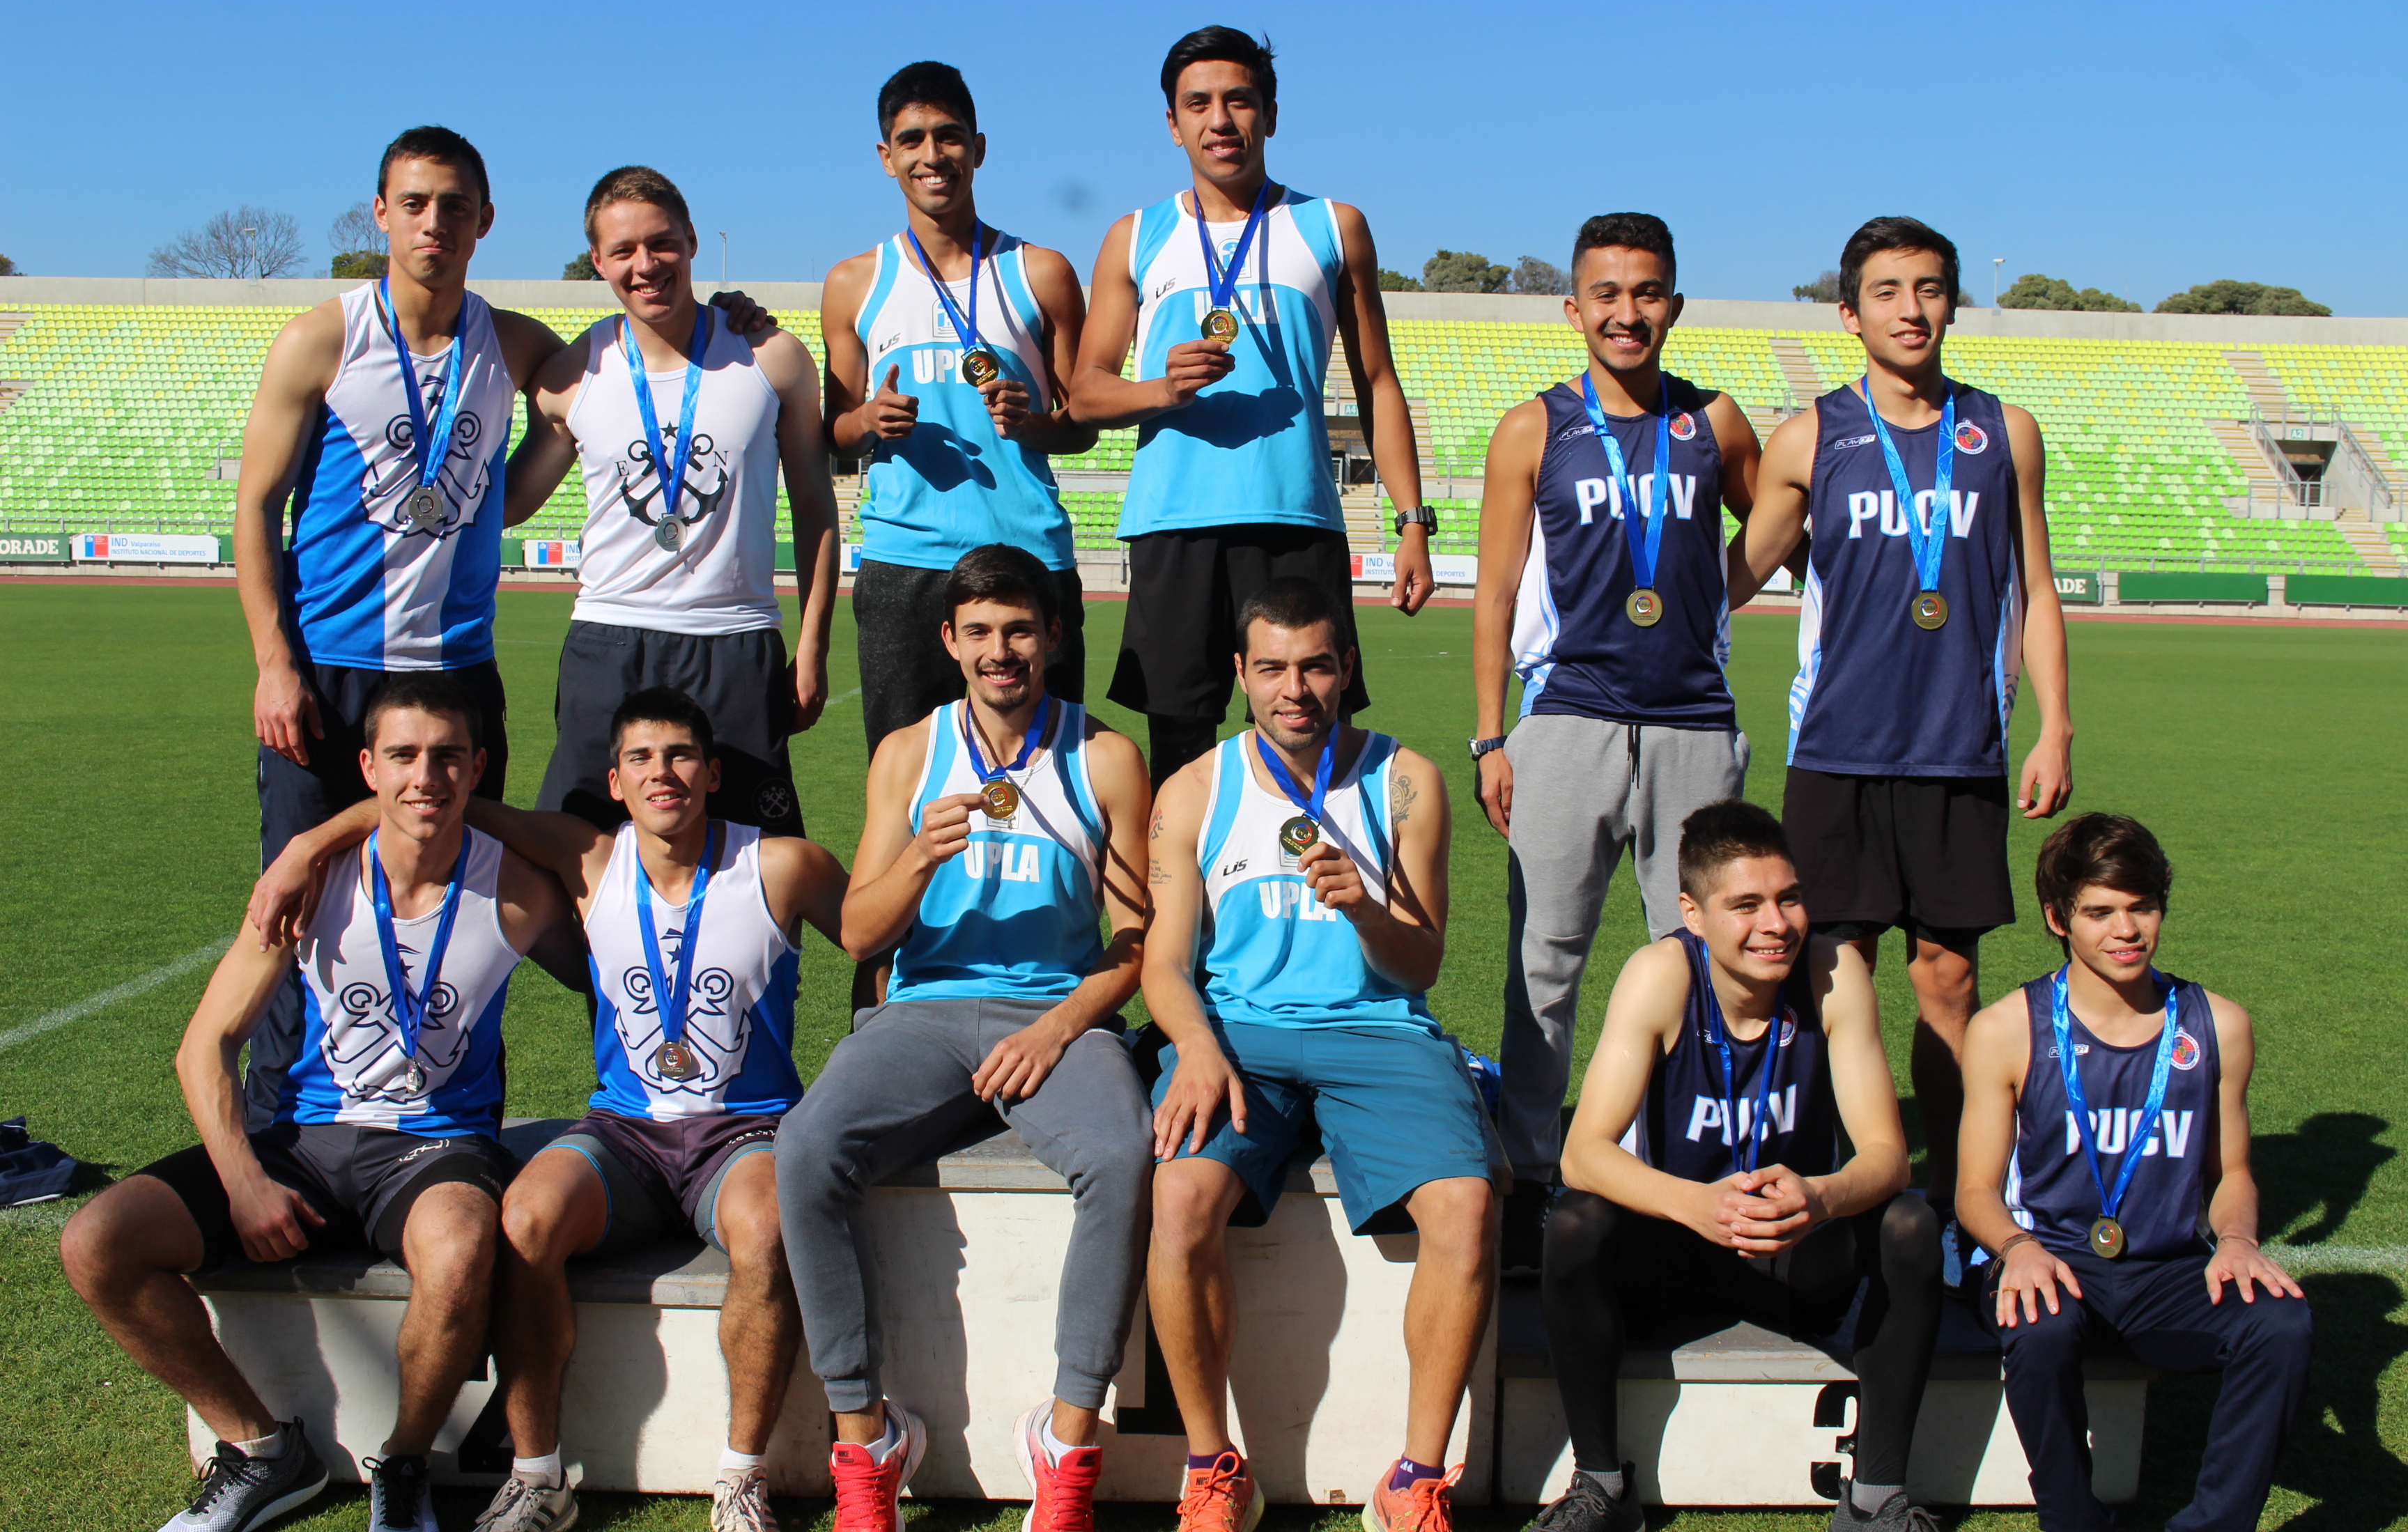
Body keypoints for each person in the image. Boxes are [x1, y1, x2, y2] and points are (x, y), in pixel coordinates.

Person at [233, 127, 771, 1130]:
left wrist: (732, 317)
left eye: (454, 206)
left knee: (472, 900)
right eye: (414, 203)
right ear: (382, 214)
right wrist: (274, 663)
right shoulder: (321, 339)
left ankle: (462, 1125)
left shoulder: (517, 345)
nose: (433, 223)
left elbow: (619, 384)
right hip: (331, 667)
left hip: (457, 674)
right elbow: (256, 508)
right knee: (304, 898)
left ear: (485, 220)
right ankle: (275, 1130)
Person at [250, 687, 849, 1532]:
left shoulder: (782, 863)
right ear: (614, 781)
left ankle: (741, 1475)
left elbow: (877, 937)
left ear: (713, 773)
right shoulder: (586, 856)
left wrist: (867, 1058)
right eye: (640, 758)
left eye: (681, 755)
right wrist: (308, 844)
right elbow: (437, 803)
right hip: (623, 1131)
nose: (663, 773)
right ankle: (537, 1478)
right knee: (524, 1218)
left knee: (770, 1230)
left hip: (743, 1129)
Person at [59, 675, 579, 1532]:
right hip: (304, 1139)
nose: (426, 777)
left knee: (458, 1251)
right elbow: (205, 1046)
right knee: (97, 1243)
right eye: (403, 756)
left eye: (448, 757)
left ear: (478, 766)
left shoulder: (520, 892)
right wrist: (244, 1184)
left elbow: (612, 954)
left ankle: (403, 1465)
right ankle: (261, 1450)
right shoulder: (310, 883)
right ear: (369, 768)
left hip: (438, 1146)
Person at [774, 544, 1152, 1532]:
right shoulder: (910, 752)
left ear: (1054, 636)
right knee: (805, 1149)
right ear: (948, 640)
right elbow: (862, 934)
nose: (1000, 652)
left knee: (1122, 1158)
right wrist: (918, 857)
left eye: (1019, 630)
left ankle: (1067, 1440)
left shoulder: (1105, 757)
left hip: (1059, 1017)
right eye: (979, 632)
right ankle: (866, 1438)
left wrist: (1060, 1028)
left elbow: (1134, 943)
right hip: (924, 1011)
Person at [1471, 212, 1800, 1261]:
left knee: (1706, 964)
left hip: (1695, 728)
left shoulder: (1716, 422)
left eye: (1647, 292)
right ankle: (1531, 1170)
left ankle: (1689, 1179)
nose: (1628, 313)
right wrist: (1489, 739)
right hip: (1566, 721)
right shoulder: (1533, 428)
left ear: (1674, 305)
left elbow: (1778, 528)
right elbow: (1495, 594)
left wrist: (1715, 596)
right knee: (1544, 964)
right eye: (1607, 294)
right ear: (1574, 309)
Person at [1734, 215, 2073, 1229]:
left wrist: (2055, 725)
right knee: (1831, 979)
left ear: (1952, 304)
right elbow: (1733, 576)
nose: (1910, 309)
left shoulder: (2004, 432)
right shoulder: (1811, 436)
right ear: (1850, 313)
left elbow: (2037, 589)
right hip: (1836, 751)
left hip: (1959, 749)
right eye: (1886, 291)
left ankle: (1954, 1198)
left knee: (1949, 982)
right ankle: (1835, 1185)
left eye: (1928, 288)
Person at [1144, 575, 1499, 1532]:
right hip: (1237, 1036)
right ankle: (1214, 1469)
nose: (1293, 690)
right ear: (1240, 673)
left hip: (1378, 1029)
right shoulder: (1195, 789)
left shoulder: (1406, 780)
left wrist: (1368, 910)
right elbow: (1164, 963)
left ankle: (1415, 1478)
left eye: (1314, 667)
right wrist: (1194, 1045)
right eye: (1271, 669)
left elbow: (1422, 962)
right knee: (1179, 1201)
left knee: (1466, 1208)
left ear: (1347, 667)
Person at [1531, 800, 1941, 1532]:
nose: (1776, 924)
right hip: (1676, 1247)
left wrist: (1821, 1197)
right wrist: (1695, 1205)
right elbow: (1583, 1152)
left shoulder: (1833, 971)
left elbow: (1886, 1156)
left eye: (1790, 898)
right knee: (1573, 1223)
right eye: (1746, 905)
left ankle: (1877, 1499)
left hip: (1793, 1250)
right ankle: (1600, 1486)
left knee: (1909, 1225)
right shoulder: (1662, 975)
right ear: (1692, 913)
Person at [1070, 26, 1437, 786]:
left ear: (1270, 113)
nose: (1220, 120)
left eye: (1239, 100)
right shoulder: (1135, 236)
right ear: (1173, 124)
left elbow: (1377, 381)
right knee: (1181, 755)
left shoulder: (1333, 225)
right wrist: (1162, 390)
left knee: (1314, 740)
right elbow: (1085, 391)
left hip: (1295, 520)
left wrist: (1411, 521)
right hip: (1175, 523)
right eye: (1198, 103)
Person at [1958, 814, 2310, 1532]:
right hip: (2051, 1257)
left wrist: (2237, 1239)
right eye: (2100, 912)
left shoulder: (2218, 1025)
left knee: (2281, 1324)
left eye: (2141, 906)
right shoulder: (2005, 1028)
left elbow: (2233, 1172)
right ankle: (2073, 1521)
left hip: (2166, 1270)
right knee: (2040, 1328)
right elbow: (1973, 1190)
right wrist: (2017, 1249)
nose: (2126, 930)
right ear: (2058, 918)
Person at [507, 164, 840, 838]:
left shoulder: (772, 358)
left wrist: (812, 647)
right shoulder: (572, 374)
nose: (646, 264)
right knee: (582, 847)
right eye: (624, 250)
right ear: (597, 261)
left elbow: (814, 507)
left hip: (734, 637)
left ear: (691, 241)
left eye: (661, 243)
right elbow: (508, 503)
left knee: (753, 853)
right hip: (608, 638)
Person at [821, 62, 1098, 757]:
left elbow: (1082, 426)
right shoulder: (854, 282)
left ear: (978, 147)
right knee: (906, 774)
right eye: (911, 140)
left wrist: (1031, 421)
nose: (932, 155)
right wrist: (868, 420)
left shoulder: (1042, 272)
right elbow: (835, 434)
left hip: (1027, 554)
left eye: (948, 136)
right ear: (886, 157)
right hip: (905, 562)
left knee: (1049, 771)